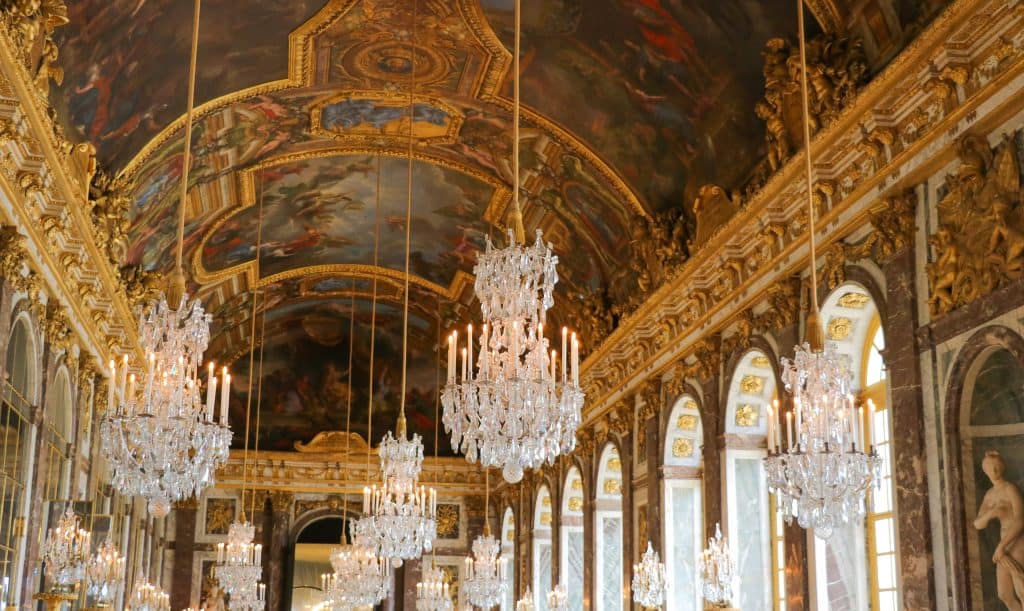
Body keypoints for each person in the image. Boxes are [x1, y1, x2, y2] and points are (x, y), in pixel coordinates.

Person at [974, 450, 1024, 609]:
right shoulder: (989, 495)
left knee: (1021, 589)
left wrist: (1001, 547)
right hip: (1003, 541)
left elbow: (1020, 520)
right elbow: (977, 524)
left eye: (996, 466)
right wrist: (992, 513)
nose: (994, 470)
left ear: (1002, 467)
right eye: (990, 467)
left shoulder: (1010, 489)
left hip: (1016, 540)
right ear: (985, 470)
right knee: (1004, 594)